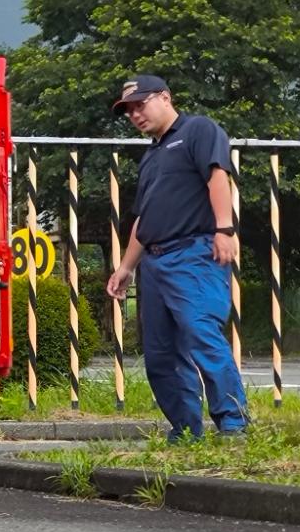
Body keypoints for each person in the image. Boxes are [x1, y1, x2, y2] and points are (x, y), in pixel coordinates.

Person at [103, 75, 248, 439]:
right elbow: (143, 218)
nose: (136, 114)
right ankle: (185, 429)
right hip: (154, 261)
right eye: (129, 110)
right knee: (161, 353)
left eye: (141, 104)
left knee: (201, 333)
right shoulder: (150, 157)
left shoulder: (198, 130)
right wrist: (125, 266)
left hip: (194, 252)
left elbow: (218, 176)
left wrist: (224, 229)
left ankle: (233, 423)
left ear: (165, 97)